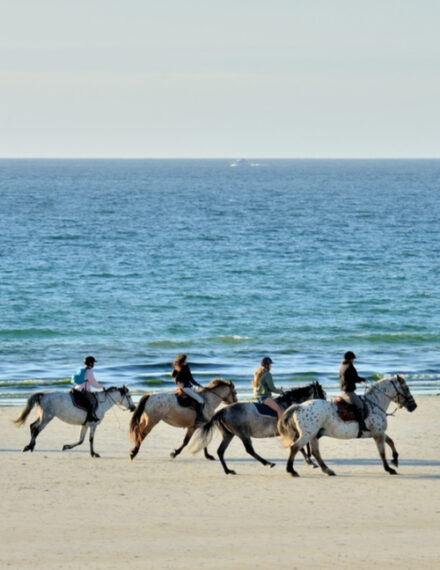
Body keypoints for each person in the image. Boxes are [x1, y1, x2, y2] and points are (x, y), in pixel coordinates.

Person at [339, 351, 369, 437]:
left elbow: (350, 378)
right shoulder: (349, 366)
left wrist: (359, 380)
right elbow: (354, 378)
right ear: (350, 359)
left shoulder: (342, 366)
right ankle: (362, 425)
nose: (353, 360)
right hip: (348, 391)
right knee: (360, 405)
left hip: (343, 390)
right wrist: (362, 379)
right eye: (353, 359)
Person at [171, 354, 206, 426]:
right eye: (186, 360)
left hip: (180, 387)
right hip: (186, 388)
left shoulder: (177, 367)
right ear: (184, 360)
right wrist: (199, 385)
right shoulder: (185, 367)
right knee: (201, 400)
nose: (187, 361)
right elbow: (191, 379)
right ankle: (199, 418)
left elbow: (173, 376)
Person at [74, 355, 104, 422]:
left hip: (77, 388)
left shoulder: (82, 370)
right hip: (83, 389)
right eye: (93, 363)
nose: (94, 364)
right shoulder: (89, 371)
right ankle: (90, 417)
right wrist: (102, 387)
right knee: (93, 401)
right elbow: (93, 383)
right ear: (90, 363)